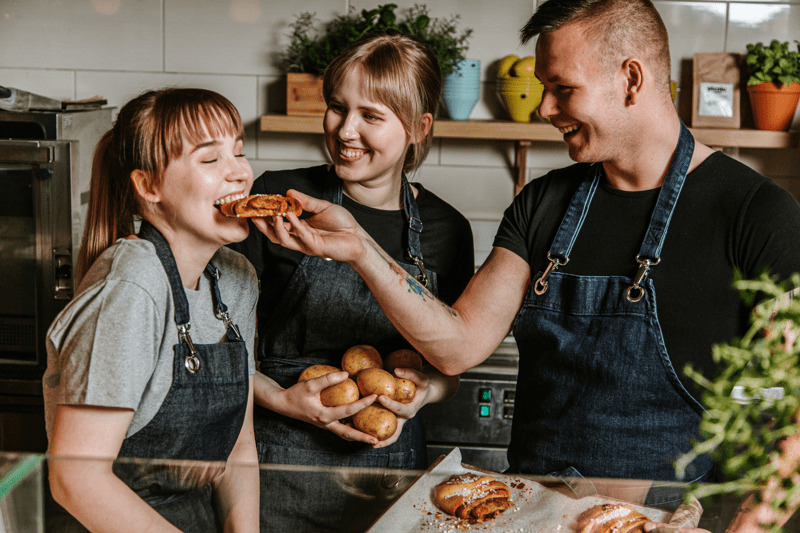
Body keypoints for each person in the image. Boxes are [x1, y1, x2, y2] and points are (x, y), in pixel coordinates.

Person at [256, 0, 800, 526]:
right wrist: (359, 249)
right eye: (544, 88)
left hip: (663, 524)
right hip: (528, 515)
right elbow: (457, 344)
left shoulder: (757, 215)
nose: (544, 108)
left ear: (631, 79)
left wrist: (746, 529)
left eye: (563, 88)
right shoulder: (546, 202)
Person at [227, 30, 474, 532]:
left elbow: (451, 366)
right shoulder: (280, 200)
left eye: (372, 116)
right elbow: (218, 346)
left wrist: (427, 392)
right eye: (338, 107)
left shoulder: (448, 230)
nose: (345, 130)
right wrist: (279, 399)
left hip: (394, 479)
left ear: (419, 128)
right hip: (279, 470)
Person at [43, 88, 259, 533]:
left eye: (238, 152)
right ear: (149, 186)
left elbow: (239, 448)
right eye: (210, 159)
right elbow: (75, 478)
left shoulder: (237, 278)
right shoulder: (132, 286)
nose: (240, 173)